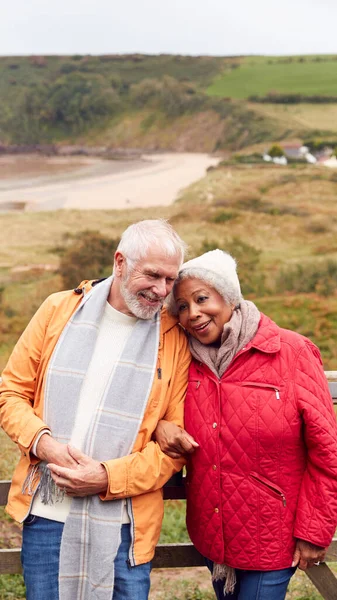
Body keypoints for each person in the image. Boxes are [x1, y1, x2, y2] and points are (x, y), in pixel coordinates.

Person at [0, 219, 191, 600]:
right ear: (120, 262)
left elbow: (173, 445)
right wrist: (46, 444)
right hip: (49, 513)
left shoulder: (173, 336)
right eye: (152, 274)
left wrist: (106, 478)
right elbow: (10, 394)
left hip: (126, 525)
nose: (161, 290)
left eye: (170, 280)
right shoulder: (58, 310)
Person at [155, 249, 337, 600]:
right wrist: (162, 425)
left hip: (272, 535)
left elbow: (327, 451)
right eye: (181, 307)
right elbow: (158, 412)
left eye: (202, 298)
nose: (193, 313)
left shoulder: (292, 352)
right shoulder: (183, 361)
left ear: (229, 296)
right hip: (214, 534)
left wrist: (315, 531)